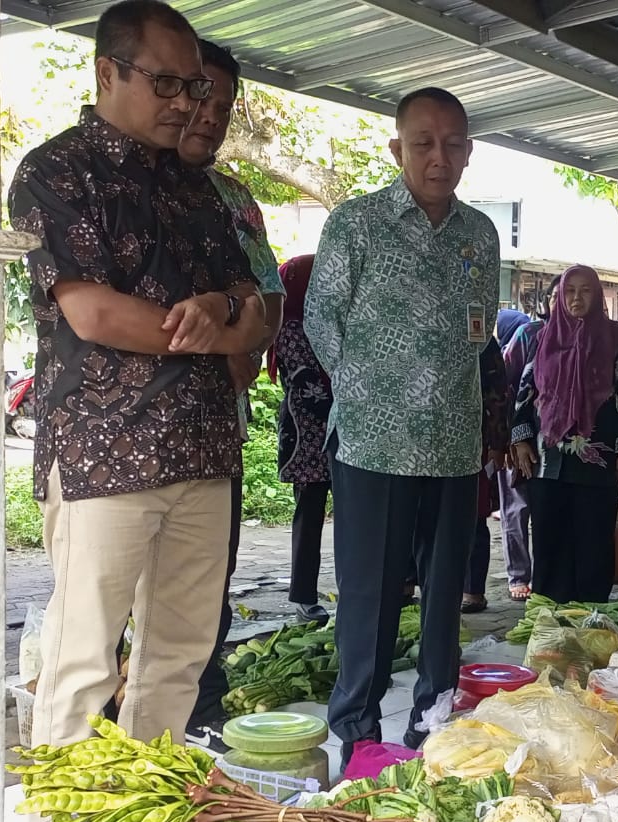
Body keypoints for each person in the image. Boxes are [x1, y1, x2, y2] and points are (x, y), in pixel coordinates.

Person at [8, 0, 267, 747]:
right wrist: (211, 331)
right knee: (85, 659)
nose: (185, 104)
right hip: (103, 454)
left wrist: (223, 310)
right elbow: (91, 314)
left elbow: (256, 314)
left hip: (204, 449)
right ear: (107, 71)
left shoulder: (197, 187)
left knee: (180, 657)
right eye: (166, 84)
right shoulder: (54, 171)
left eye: (193, 88)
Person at [304, 86, 502, 759]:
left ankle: (435, 720)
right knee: (370, 596)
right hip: (371, 443)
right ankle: (355, 731)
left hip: (452, 443)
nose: (438, 156)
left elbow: (481, 326)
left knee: (444, 596)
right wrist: (368, 392)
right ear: (398, 148)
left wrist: (442, 388)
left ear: (470, 153)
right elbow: (319, 318)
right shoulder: (355, 224)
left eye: (452, 143)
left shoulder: (480, 233)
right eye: (423, 142)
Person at [177, 39, 286, 731]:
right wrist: (227, 336)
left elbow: (268, 307)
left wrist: (231, 335)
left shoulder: (234, 201)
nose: (209, 115)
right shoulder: (115, 182)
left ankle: (200, 721)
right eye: (197, 96)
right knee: (109, 607)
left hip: (216, 427)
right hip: (119, 438)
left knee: (206, 587)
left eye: (223, 104)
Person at [511, 266, 618, 603]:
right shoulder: (542, 337)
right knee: (549, 541)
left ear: (597, 296)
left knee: (593, 544)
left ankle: (590, 619)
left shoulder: (615, 338)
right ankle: (549, 621)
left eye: (585, 291)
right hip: (546, 460)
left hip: (598, 461)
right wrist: (521, 439)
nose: (576, 298)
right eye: (570, 291)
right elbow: (525, 391)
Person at [268, 255, 334, 623]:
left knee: (352, 514)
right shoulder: (289, 328)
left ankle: (357, 586)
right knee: (309, 515)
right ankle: (304, 594)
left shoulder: (324, 323)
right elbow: (305, 380)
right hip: (307, 434)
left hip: (339, 430)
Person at [462, 340, 511, 614]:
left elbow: (497, 395)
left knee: (473, 515)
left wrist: (497, 443)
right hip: (424, 444)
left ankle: (472, 590)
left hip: (475, 441)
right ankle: (408, 584)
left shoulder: (479, 338)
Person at [498, 309, 540, 601]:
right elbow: (505, 392)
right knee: (515, 507)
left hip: (550, 438)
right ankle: (519, 574)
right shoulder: (527, 335)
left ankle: (539, 573)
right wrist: (511, 438)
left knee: (540, 508)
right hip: (516, 435)